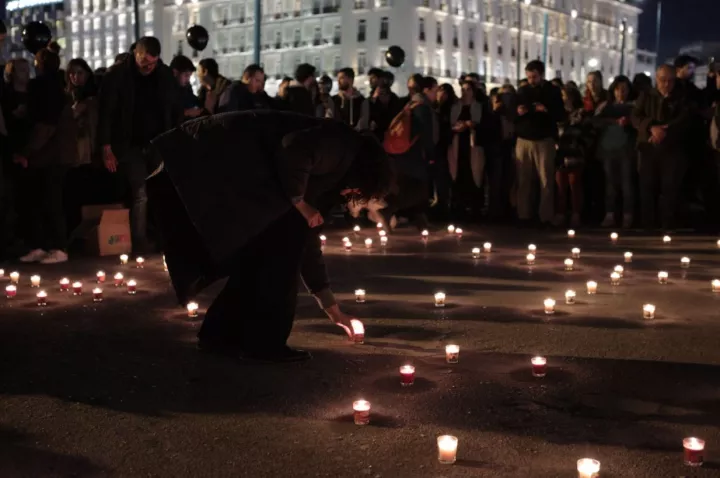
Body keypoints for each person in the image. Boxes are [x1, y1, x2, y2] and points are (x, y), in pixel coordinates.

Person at [146, 111, 393, 362]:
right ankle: (264, 343)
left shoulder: (327, 179)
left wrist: (333, 311)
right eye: (358, 192)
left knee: (267, 250)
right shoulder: (342, 146)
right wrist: (299, 202)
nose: (352, 197)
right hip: (206, 161)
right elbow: (295, 147)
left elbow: (307, 241)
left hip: (214, 166)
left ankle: (219, 336)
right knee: (277, 257)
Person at [97, 36, 183, 253]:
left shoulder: (163, 76)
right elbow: (106, 113)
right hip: (129, 143)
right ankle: (139, 240)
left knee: (160, 189)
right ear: (136, 53)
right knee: (140, 191)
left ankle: (163, 238)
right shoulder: (118, 76)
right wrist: (106, 147)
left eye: (153, 63)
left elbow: (174, 109)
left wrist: (175, 138)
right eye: (145, 63)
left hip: (158, 142)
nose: (148, 67)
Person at [15, 49, 78, 264]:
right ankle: (46, 245)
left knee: (48, 200)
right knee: (47, 200)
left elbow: (45, 126)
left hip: (49, 155)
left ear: (39, 63)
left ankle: (56, 247)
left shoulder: (43, 87)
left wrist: (27, 151)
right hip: (56, 154)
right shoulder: (60, 87)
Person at [631, 64, 693, 231]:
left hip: (672, 148)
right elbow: (635, 116)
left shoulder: (681, 97)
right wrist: (651, 127)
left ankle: (667, 224)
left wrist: (665, 130)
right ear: (656, 80)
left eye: (671, 81)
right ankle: (648, 225)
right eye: (663, 80)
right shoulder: (646, 96)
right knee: (647, 186)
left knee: (669, 187)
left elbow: (684, 119)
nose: (666, 85)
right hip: (648, 147)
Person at [515, 60, 565, 226]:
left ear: (541, 75)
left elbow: (560, 114)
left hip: (544, 139)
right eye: (528, 77)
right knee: (524, 179)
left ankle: (545, 216)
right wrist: (520, 111)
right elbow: (512, 113)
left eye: (534, 77)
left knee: (546, 179)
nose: (531, 80)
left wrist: (546, 109)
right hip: (524, 139)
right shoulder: (522, 91)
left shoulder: (552, 91)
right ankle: (524, 215)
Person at [594, 76, 636, 228]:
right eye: (618, 89)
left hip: (626, 149)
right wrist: (613, 121)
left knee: (626, 184)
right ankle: (610, 214)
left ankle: (627, 215)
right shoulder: (605, 106)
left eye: (624, 89)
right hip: (608, 148)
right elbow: (595, 121)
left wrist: (629, 122)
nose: (621, 92)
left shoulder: (634, 106)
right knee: (610, 184)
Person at [449, 79, 485, 219]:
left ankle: (475, 208)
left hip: (473, 145)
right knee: (459, 173)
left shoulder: (479, 106)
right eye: (462, 89)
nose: (464, 92)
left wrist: (471, 125)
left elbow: (482, 124)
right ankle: (460, 207)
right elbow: (450, 124)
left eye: (468, 89)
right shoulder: (456, 106)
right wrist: (457, 126)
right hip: (458, 145)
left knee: (474, 174)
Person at [554, 86, 587, 227]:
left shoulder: (580, 113)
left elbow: (583, 132)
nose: (563, 99)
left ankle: (576, 213)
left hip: (574, 153)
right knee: (560, 186)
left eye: (565, 96)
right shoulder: (558, 114)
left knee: (574, 185)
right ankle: (561, 213)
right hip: (560, 154)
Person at [169, 55, 202, 120]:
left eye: (189, 76)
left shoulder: (186, 87)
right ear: (175, 72)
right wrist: (186, 113)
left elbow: (193, 100)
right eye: (186, 75)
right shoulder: (167, 89)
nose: (188, 80)